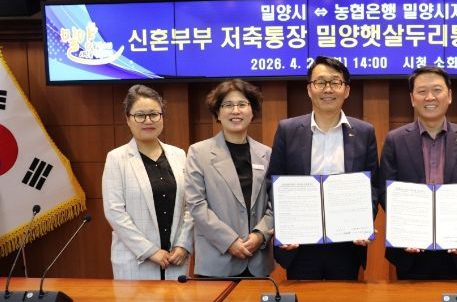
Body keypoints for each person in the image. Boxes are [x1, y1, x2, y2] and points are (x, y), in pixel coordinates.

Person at [267, 56, 378, 280]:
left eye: (335, 82)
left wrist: (363, 222)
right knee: (303, 301)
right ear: (309, 89)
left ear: (346, 90)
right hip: (300, 243)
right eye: (320, 82)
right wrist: (285, 225)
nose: (328, 89)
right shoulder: (288, 130)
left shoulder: (364, 132)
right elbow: (274, 182)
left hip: (346, 243)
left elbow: (372, 186)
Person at [379, 66, 457, 280]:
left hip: (456, 250)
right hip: (410, 249)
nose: (430, 97)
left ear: (450, 95)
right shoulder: (395, 139)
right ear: (412, 98)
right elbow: (385, 191)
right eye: (422, 91)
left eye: (437, 90)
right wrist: (405, 229)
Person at [102, 85, 193, 280]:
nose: (148, 121)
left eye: (154, 114)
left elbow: (190, 206)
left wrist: (184, 244)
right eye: (140, 115)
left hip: (176, 259)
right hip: (135, 261)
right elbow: (114, 212)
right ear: (128, 119)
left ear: (162, 117)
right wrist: (150, 251)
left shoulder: (179, 155)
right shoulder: (117, 158)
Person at [185, 79, 274, 278]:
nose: (236, 111)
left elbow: (275, 204)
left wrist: (260, 234)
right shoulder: (199, 153)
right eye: (228, 105)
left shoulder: (266, 154)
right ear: (217, 112)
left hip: (257, 262)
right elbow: (196, 204)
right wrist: (229, 241)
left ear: (252, 111)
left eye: (242, 104)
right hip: (217, 261)